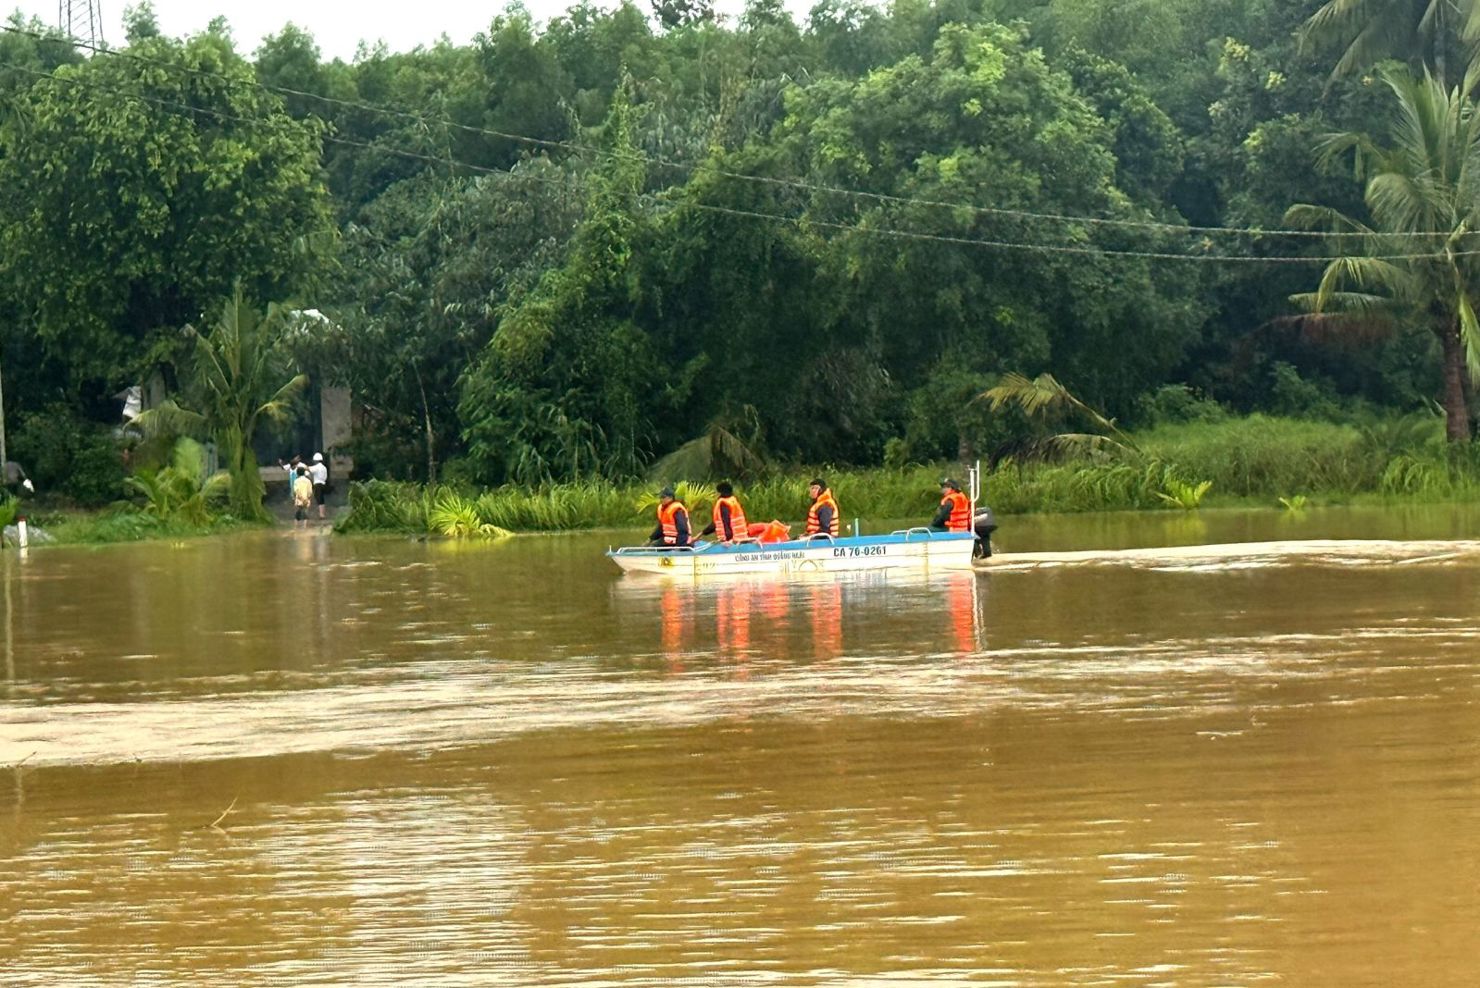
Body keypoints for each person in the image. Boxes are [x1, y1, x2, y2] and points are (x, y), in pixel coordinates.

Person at [309, 452, 329, 520]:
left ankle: (321, 515)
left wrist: (304, 467)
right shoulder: (324, 467)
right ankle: (323, 514)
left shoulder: (316, 467)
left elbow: (309, 469)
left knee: (319, 499)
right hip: (323, 484)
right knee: (322, 500)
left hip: (318, 485)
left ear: (315, 460)